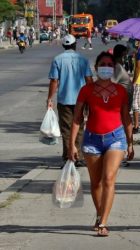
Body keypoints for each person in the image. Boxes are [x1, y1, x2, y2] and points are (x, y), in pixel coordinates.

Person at [68, 52, 134, 237]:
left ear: (114, 69)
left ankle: (103, 222)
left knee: (108, 179)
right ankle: (99, 214)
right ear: (96, 68)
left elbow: (126, 117)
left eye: (109, 64)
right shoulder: (86, 90)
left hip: (116, 138)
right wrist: (71, 144)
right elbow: (77, 118)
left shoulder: (120, 91)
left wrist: (130, 142)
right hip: (92, 140)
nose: (106, 67)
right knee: (96, 183)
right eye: (102, 64)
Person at [47, 34, 93, 167]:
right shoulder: (83, 60)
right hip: (81, 99)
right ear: (75, 45)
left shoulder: (57, 59)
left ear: (63, 46)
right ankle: (78, 155)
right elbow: (89, 80)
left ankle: (69, 157)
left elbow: (54, 81)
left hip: (64, 100)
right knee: (79, 127)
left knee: (66, 129)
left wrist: (50, 98)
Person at [112, 44, 134, 110]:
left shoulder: (119, 66)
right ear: (122, 54)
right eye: (126, 53)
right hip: (121, 103)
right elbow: (112, 83)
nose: (127, 55)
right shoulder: (117, 67)